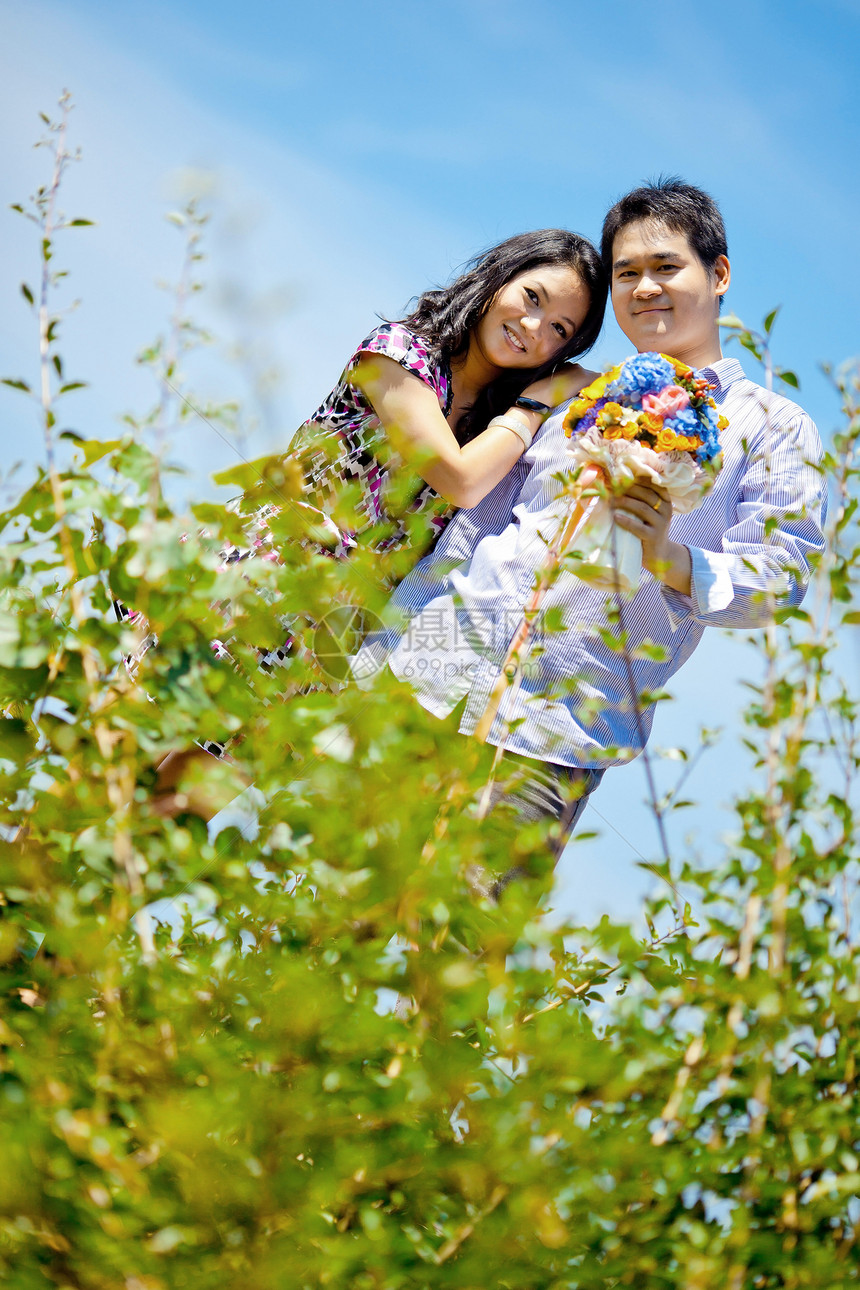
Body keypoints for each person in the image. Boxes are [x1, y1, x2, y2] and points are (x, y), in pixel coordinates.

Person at [353, 179, 827, 874]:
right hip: (425, 678)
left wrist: (670, 557)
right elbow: (471, 530)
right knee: (332, 923)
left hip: (558, 732)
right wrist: (375, 653)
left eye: (667, 267)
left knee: (457, 952)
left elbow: (780, 578)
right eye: (627, 273)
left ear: (718, 273)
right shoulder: (571, 393)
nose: (644, 288)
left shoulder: (774, 427)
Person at [150, 229, 608, 817]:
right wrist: (538, 401)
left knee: (181, 810)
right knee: (124, 763)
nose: (535, 328)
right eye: (535, 298)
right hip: (259, 587)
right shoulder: (398, 354)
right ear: (500, 278)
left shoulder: (494, 427)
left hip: (331, 635)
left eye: (560, 332)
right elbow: (457, 478)